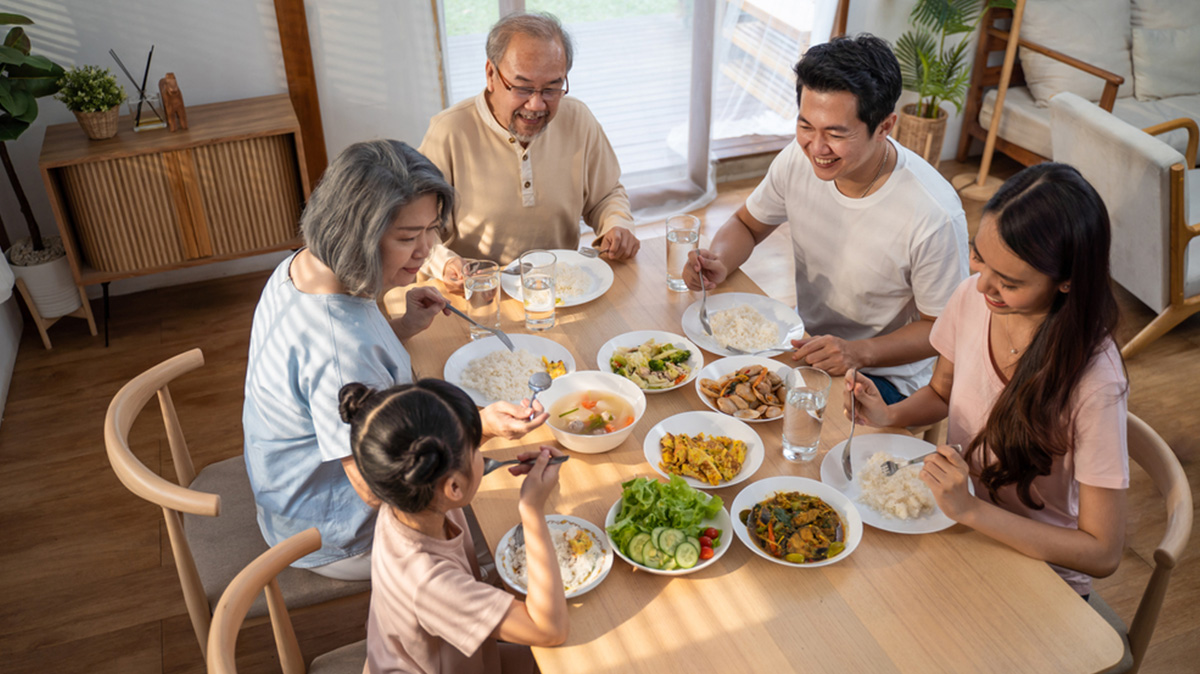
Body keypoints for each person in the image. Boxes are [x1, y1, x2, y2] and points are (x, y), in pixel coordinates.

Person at [242, 140, 547, 580]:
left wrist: (397, 328)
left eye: (430, 230)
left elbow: (343, 364)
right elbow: (375, 486)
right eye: (407, 238)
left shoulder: (306, 265)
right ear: (356, 235)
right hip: (334, 532)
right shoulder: (340, 349)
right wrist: (479, 428)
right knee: (515, 528)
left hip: (286, 492)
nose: (426, 251)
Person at [847, 163, 1128, 597]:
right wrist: (887, 415)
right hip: (958, 525)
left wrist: (972, 511)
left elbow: (1103, 552)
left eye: (1010, 282)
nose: (983, 287)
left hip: (1040, 572)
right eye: (979, 258)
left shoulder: (1095, 384)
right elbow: (943, 392)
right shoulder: (974, 299)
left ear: (1068, 281)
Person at [684, 34, 968, 403]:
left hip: (882, 376)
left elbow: (943, 330)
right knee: (706, 388)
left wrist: (857, 352)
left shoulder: (934, 214)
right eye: (805, 126)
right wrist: (719, 260)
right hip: (804, 345)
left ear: (884, 126)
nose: (816, 148)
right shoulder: (797, 159)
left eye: (836, 133)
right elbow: (747, 225)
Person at [341, 379, 568, 673]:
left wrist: (481, 430)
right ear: (453, 487)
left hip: (463, 657)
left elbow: (445, 470)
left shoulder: (406, 497)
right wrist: (532, 510)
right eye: (475, 449)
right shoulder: (430, 583)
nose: (483, 455)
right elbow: (549, 631)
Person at [419, 12, 640, 293]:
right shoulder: (448, 131)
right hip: (480, 293)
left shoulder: (578, 119)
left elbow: (607, 194)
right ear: (491, 74)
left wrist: (617, 224)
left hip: (561, 289)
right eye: (523, 88)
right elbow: (418, 229)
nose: (536, 105)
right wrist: (445, 263)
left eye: (551, 88)